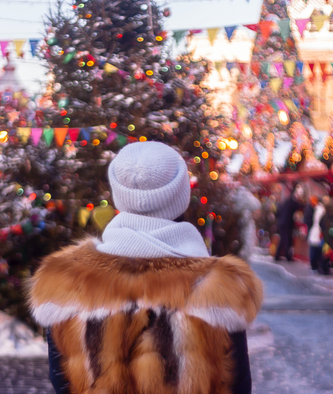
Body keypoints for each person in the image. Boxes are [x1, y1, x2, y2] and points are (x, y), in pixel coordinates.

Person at [28, 142, 263, 394]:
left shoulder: (65, 281)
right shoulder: (220, 287)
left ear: (119, 194)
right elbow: (238, 386)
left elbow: (63, 381)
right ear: (180, 195)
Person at [275, 189, 303, 262]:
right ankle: (287, 256)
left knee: (283, 239)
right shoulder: (292, 202)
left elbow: (278, 212)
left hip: (281, 223)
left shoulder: (285, 202)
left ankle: (278, 255)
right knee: (287, 239)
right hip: (287, 223)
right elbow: (301, 206)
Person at [307, 197, 325, 273]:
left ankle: (314, 265)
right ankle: (317, 266)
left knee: (314, 248)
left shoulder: (317, 209)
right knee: (317, 249)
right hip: (317, 231)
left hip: (316, 231)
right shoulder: (320, 210)